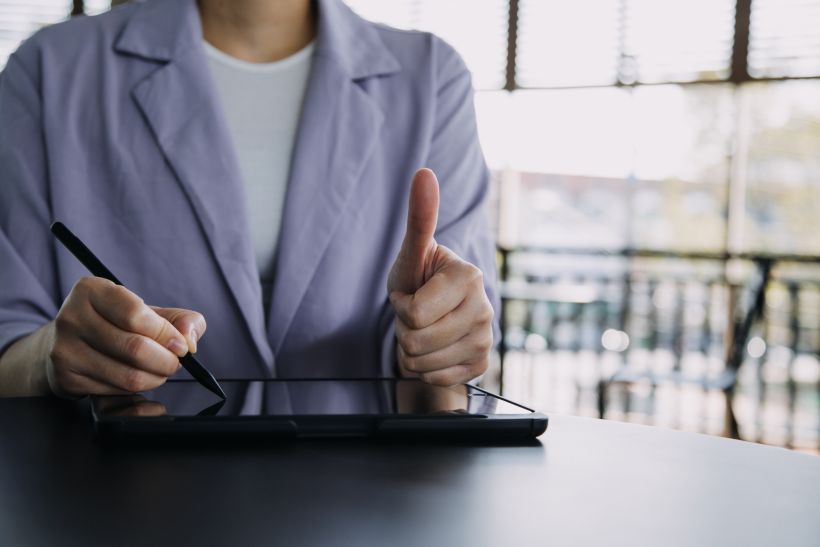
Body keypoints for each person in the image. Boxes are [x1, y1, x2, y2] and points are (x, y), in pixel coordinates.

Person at [0, 0, 499, 399]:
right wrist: (48, 357)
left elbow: (463, 342)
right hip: (115, 493)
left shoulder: (432, 77)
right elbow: (10, 340)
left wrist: (438, 341)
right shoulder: (49, 70)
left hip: (366, 498)